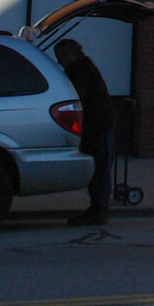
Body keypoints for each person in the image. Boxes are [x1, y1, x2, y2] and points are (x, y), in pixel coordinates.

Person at [53, 38, 115, 225]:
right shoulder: (83, 68)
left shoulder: (80, 71)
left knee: (99, 169)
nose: (59, 62)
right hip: (97, 125)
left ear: (69, 55)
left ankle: (99, 211)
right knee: (98, 168)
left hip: (97, 126)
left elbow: (77, 96)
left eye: (60, 57)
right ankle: (98, 209)